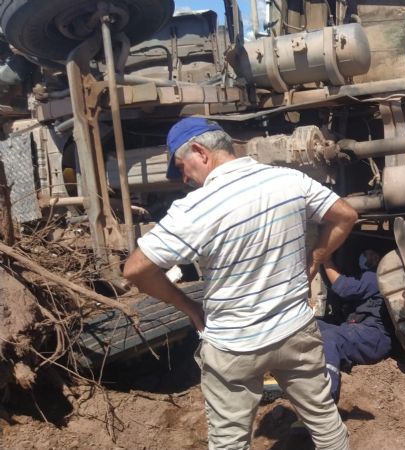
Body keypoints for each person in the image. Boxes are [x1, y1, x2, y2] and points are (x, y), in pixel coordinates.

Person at [123, 117, 357, 450]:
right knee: (323, 418)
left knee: (228, 443)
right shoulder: (289, 180)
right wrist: (316, 257)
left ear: (201, 153)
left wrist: (189, 307)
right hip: (295, 331)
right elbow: (346, 215)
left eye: (182, 167)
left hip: (234, 347)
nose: (184, 179)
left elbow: (134, 269)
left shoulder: (194, 210)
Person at [317, 250, 393, 402]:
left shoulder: (376, 275)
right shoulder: (366, 276)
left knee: (330, 338)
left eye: (371, 253)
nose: (366, 256)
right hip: (361, 330)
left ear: (380, 258)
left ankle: (326, 399)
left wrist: (327, 262)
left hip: (375, 337)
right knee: (313, 326)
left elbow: (345, 288)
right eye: (365, 252)